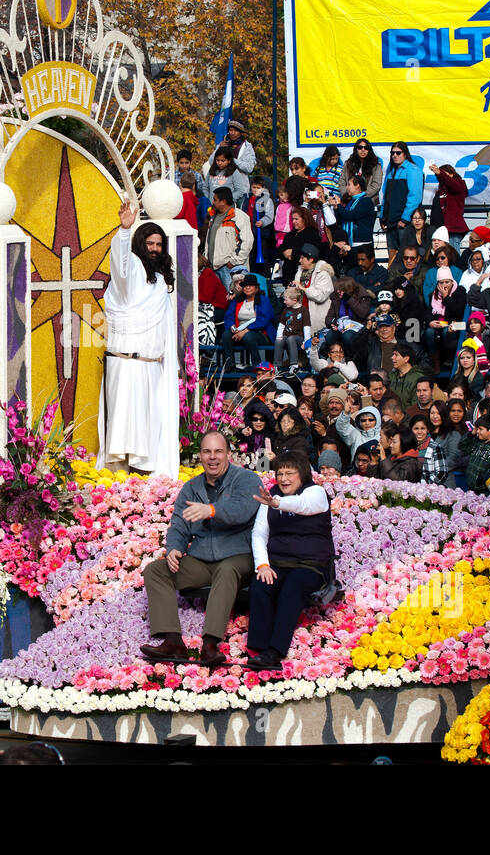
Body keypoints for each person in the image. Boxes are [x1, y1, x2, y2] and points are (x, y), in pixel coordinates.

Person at [140, 431, 261, 667]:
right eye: (207, 452)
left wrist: (212, 510)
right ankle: (173, 642)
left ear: (228, 454)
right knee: (156, 570)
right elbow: (179, 524)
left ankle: (210, 644)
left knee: (227, 570)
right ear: (200, 455)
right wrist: (174, 548)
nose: (212, 457)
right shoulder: (191, 488)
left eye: (218, 451)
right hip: (203, 558)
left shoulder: (247, 479)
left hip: (238, 555)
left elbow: (243, 509)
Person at [97, 200, 180, 478]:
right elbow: (119, 263)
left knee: (148, 428)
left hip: (153, 366)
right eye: (150, 243)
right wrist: (124, 230)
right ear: (140, 244)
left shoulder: (158, 280)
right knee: (125, 430)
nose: (155, 249)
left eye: (159, 244)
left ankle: (143, 483)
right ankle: (122, 483)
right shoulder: (130, 269)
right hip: (127, 364)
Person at [245, 451, 332, 669]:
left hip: (311, 565)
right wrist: (262, 565)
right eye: (280, 473)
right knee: (260, 585)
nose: (283, 479)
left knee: (293, 586)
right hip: (279, 563)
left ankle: (275, 651)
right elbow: (259, 534)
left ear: (301, 474)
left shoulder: (316, 493)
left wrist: (276, 503)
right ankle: (258, 648)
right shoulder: (270, 495)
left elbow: (303, 505)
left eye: (289, 473)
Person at [380, 142, 423, 264]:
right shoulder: (391, 171)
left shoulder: (413, 170)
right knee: (392, 256)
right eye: (392, 153)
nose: (395, 155)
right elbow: (385, 195)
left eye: (398, 153)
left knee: (408, 256)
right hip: (391, 222)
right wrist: (383, 217)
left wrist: (404, 219)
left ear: (405, 154)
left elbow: (415, 197)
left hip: (404, 223)